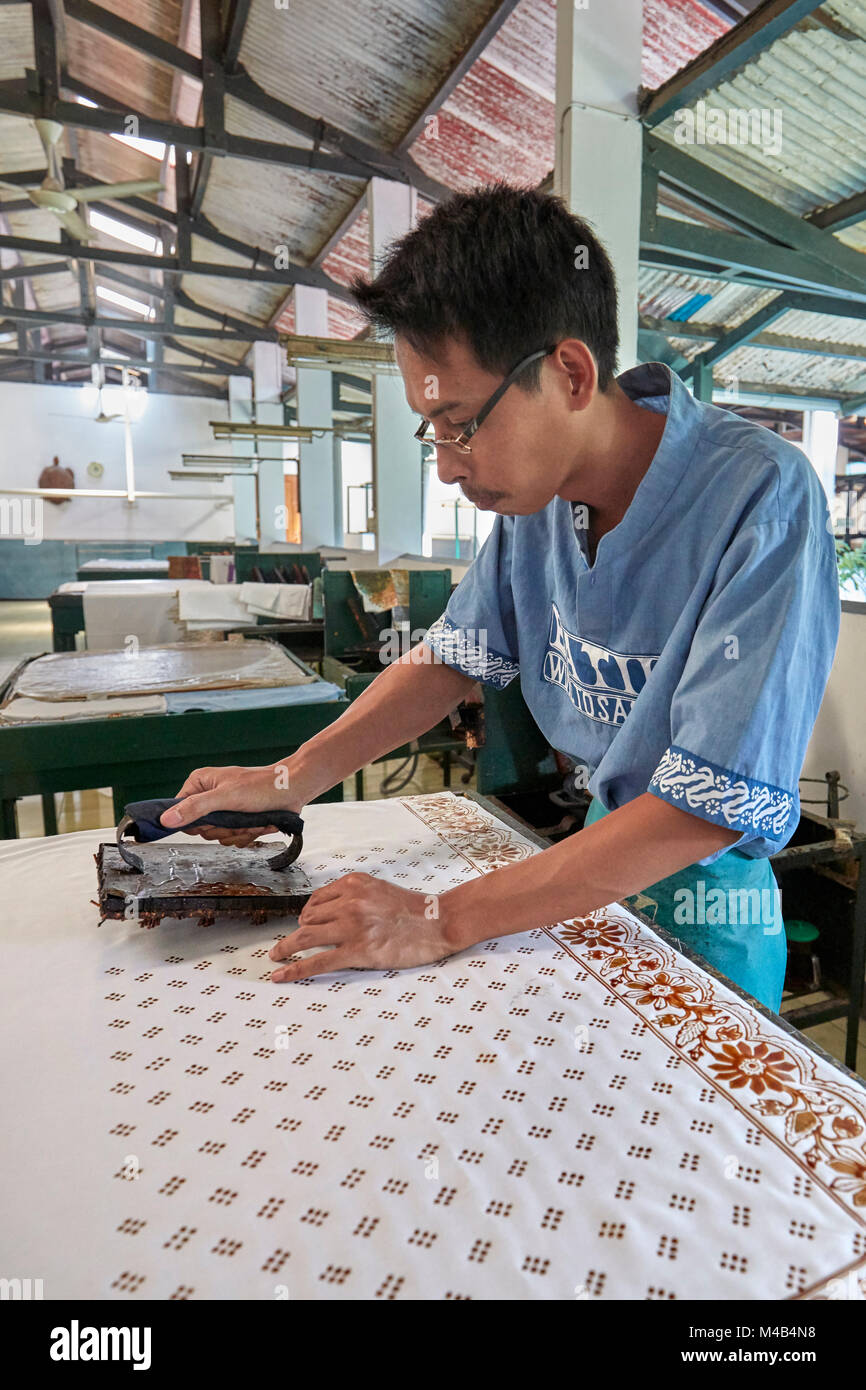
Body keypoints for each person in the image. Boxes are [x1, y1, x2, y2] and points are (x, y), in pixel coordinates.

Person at [160, 184, 840, 1009]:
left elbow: (703, 808)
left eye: (458, 423)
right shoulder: (538, 504)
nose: (447, 464)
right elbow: (452, 658)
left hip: (705, 902)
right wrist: (289, 777)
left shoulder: (759, 496)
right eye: (430, 429)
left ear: (571, 373)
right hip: (585, 869)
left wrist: (441, 918)